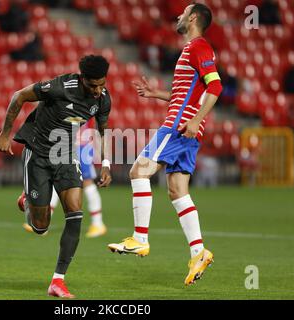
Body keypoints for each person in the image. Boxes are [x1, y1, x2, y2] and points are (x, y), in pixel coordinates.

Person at [108, 3, 223, 286]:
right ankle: (198, 252)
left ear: (193, 18)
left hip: (178, 126)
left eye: (183, 12)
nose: (178, 16)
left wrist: (195, 119)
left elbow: (215, 86)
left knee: (138, 172)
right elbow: (188, 90)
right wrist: (157, 94)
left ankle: (140, 238)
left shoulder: (199, 47)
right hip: (188, 130)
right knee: (177, 191)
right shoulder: (191, 49)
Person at [0, 55, 112, 298]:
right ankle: (28, 201)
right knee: (40, 226)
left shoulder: (103, 99)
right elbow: (19, 95)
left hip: (67, 157)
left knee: (76, 213)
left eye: (102, 84)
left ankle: (58, 281)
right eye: (92, 86)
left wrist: (107, 163)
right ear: (82, 80)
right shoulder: (59, 87)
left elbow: (103, 130)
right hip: (38, 155)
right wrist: (5, 134)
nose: (98, 90)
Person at [21, 118, 108, 238]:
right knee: (57, 179)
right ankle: (45, 220)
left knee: (87, 183)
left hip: (81, 145)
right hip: (67, 145)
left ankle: (98, 223)